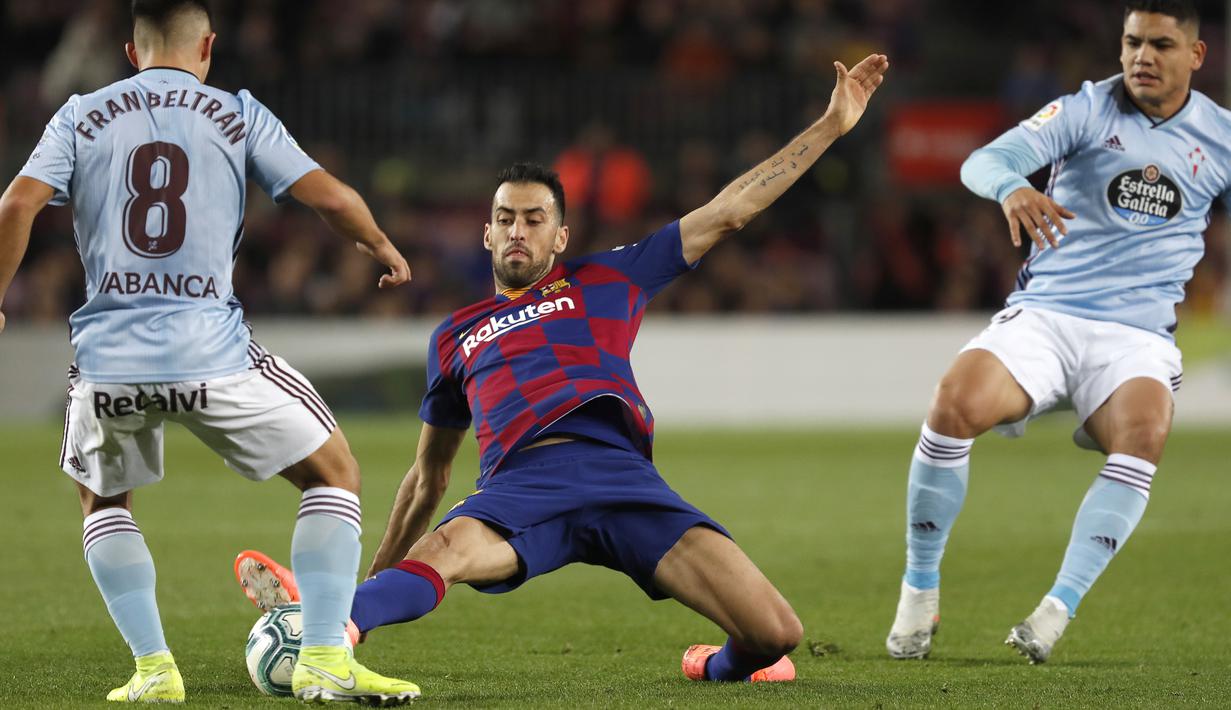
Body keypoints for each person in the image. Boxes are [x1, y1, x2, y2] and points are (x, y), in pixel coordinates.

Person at [235, 53, 890, 689]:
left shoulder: (610, 277)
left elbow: (731, 210)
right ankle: (334, 626)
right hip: (523, 486)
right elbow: (428, 476)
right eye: (504, 219)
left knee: (775, 633)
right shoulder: (455, 335)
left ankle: (711, 665)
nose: (517, 230)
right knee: (444, 553)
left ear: (560, 237)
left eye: (534, 218)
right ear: (487, 235)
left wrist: (830, 127)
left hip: (621, 478)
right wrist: (369, 588)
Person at [0, 1, 419, 703]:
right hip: (211, 352)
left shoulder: (79, 114)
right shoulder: (237, 113)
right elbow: (330, 196)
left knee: (103, 502)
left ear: (131, 53)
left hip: (109, 362)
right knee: (334, 474)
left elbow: (16, 205)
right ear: (207, 48)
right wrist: (379, 244)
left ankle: (153, 670)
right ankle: (324, 658)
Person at [886, 0, 1224, 664]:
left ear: (1195, 54)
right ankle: (918, 591)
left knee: (1145, 432)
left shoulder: (1221, 138)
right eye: (1131, 41)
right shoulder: (1085, 109)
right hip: (1048, 316)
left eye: (1159, 44)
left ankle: (1055, 609)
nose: (1141, 57)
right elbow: (983, 160)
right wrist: (1010, 187)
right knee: (953, 403)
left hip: (1135, 337)